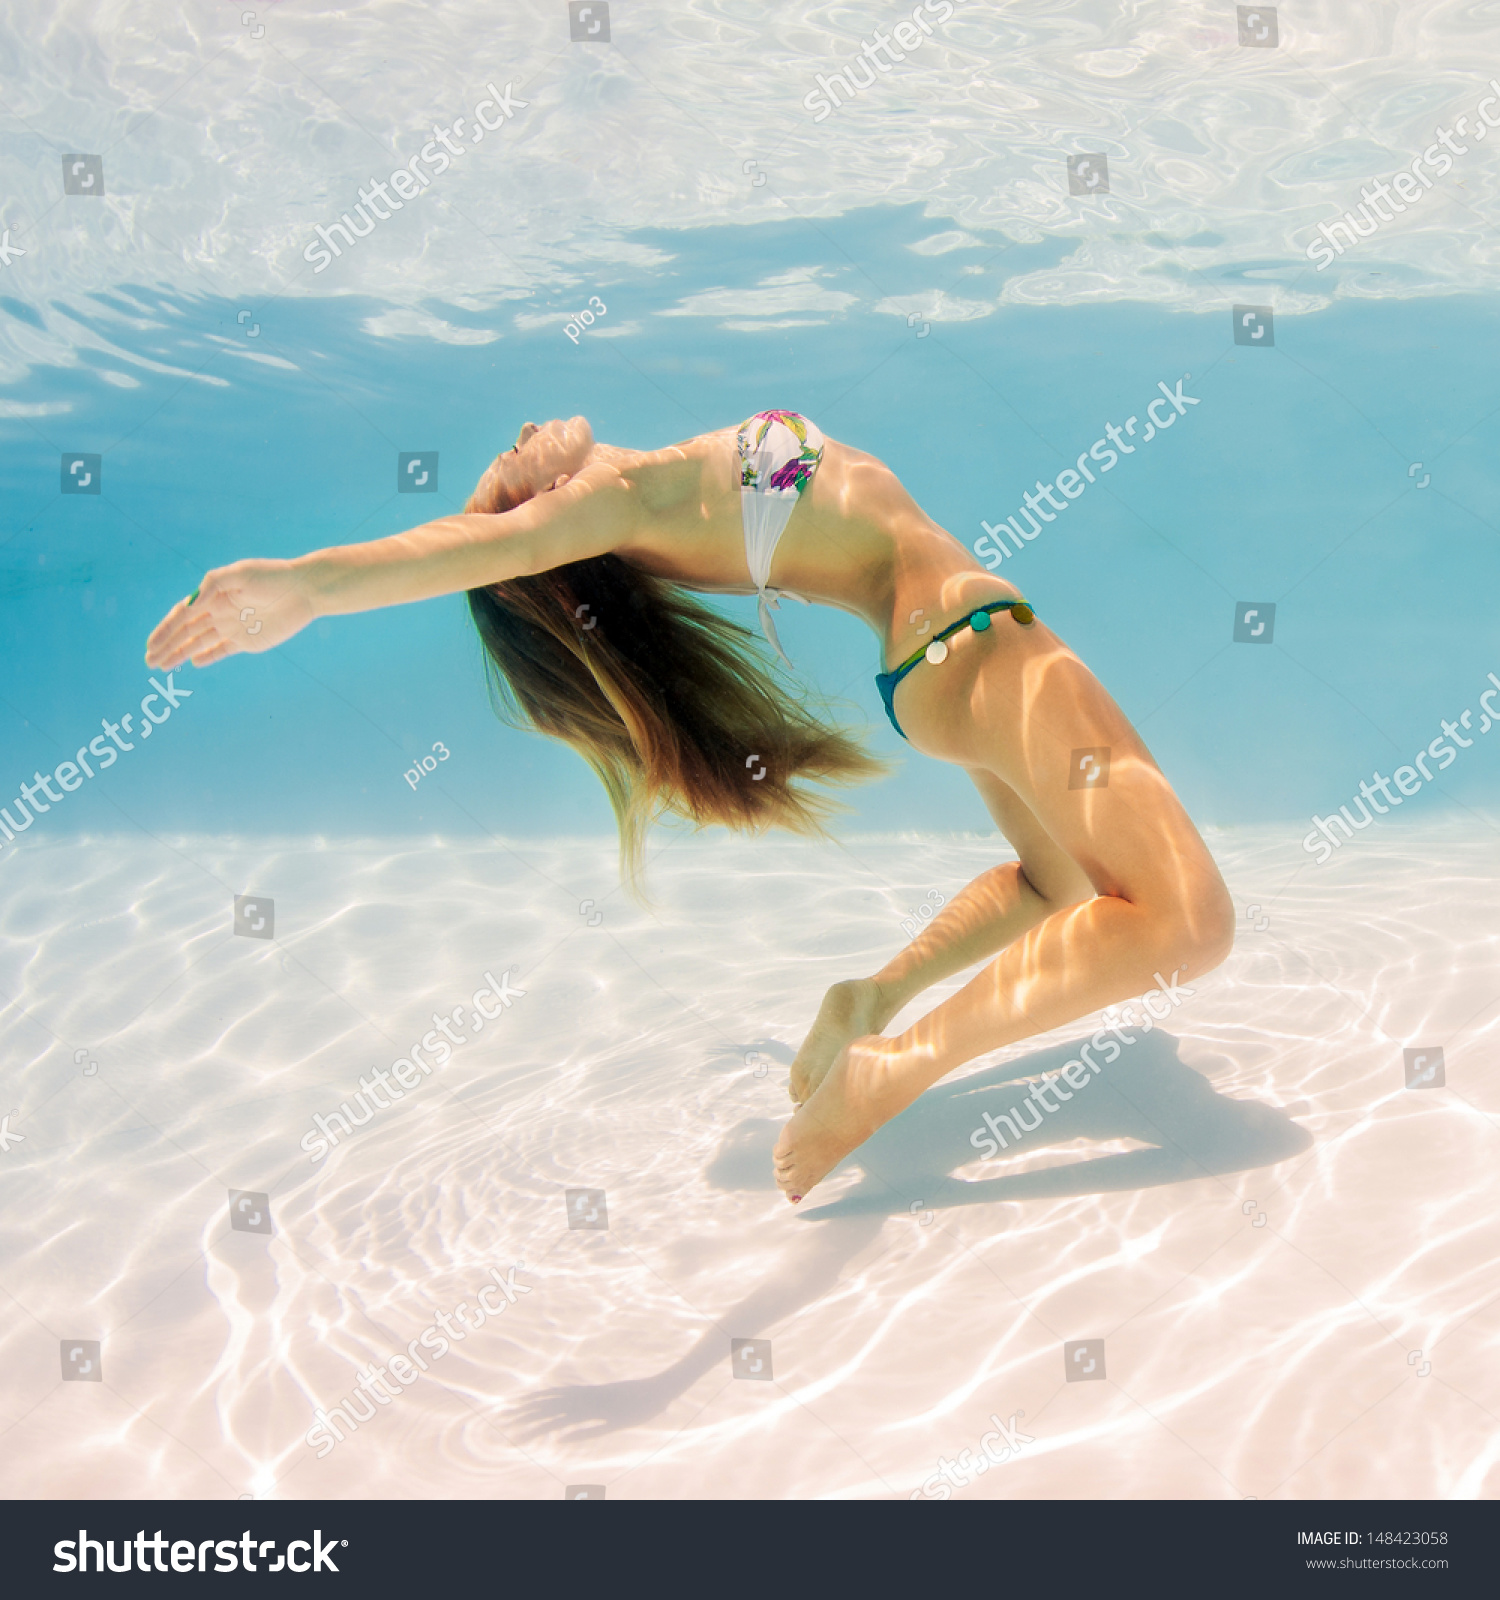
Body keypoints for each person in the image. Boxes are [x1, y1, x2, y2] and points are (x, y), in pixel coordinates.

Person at [145, 411, 1235, 1204]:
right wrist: (307, 586)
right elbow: (493, 551)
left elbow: (509, 545)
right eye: (500, 472)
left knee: (1060, 885)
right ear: (542, 513)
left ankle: (872, 998)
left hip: (942, 664)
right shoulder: (628, 498)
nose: (516, 437)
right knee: (1188, 920)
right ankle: (890, 1070)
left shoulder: (665, 493)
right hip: (975, 642)